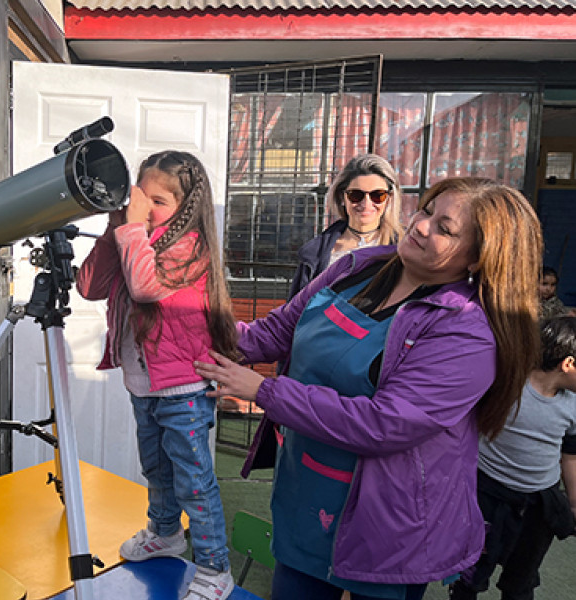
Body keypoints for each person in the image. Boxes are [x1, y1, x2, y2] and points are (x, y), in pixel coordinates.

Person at [194, 177, 543, 600]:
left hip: (391, 521)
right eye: (427, 210)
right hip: (307, 488)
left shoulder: (466, 332)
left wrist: (266, 392)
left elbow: (385, 424)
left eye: (445, 229)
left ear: (478, 259)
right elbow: (277, 331)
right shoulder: (357, 269)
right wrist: (191, 324)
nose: (420, 225)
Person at [76, 150, 238, 600]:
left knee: (193, 478)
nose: (146, 209)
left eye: (158, 202)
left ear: (184, 208)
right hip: (144, 383)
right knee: (156, 468)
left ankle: (214, 568)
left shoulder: (189, 247)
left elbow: (147, 288)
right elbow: (89, 285)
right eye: (140, 198)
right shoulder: (130, 235)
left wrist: (131, 227)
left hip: (183, 386)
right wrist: (115, 227)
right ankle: (165, 532)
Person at [448, 316, 576, 600]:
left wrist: (574, 504)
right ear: (567, 364)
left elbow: (570, 456)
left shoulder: (573, 405)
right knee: (471, 571)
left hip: (537, 504)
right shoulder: (505, 385)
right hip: (486, 495)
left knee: (522, 580)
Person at [288, 154, 404, 299]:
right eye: (356, 195)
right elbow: (293, 311)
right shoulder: (316, 253)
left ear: (389, 199)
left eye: (377, 195)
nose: (366, 203)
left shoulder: (404, 248)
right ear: (342, 197)